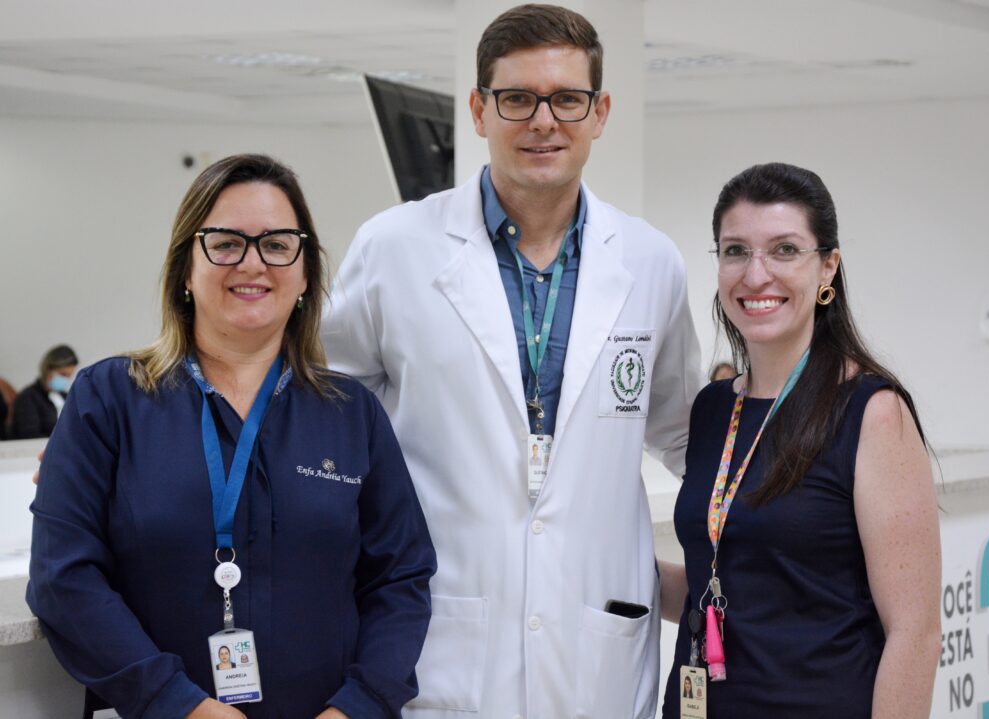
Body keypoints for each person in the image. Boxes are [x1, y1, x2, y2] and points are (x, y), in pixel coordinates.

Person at [322, 5, 701, 718]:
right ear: (479, 110)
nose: (543, 121)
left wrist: (776, 534)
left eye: (567, 99)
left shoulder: (650, 261)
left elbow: (684, 433)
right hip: (443, 631)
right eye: (518, 98)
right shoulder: (394, 248)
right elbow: (324, 425)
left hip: (597, 642)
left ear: (600, 112)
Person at [28, 154, 436, 719]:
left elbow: (400, 579)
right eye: (225, 243)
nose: (252, 263)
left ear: (305, 275)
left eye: (277, 244)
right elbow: (63, 578)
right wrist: (175, 703)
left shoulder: (350, 414)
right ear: (184, 269)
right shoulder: (109, 399)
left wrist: (359, 706)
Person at [660, 163, 941, 718]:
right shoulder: (714, 409)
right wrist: (596, 563)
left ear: (827, 266)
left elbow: (915, 634)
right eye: (736, 251)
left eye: (784, 250)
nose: (755, 274)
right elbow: (728, 587)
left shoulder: (871, 412)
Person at [10, 344, 78, 439]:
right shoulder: (29, 397)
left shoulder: (65, 396)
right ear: (47, 369)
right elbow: (30, 434)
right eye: (63, 374)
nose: (65, 380)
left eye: (69, 376)